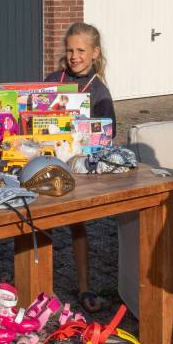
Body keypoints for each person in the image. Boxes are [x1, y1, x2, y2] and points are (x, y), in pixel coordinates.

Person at [45, 22, 116, 313]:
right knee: (42, 222)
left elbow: (108, 134)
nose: (74, 56)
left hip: (79, 168)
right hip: (48, 161)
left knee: (78, 226)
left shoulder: (99, 91)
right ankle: (41, 287)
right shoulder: (53, 79)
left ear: (94, 53)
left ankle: (84, 285)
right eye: (70, 50)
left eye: (81, 50)